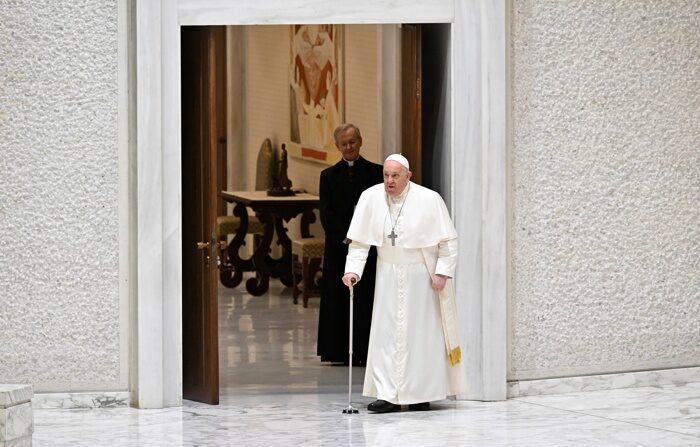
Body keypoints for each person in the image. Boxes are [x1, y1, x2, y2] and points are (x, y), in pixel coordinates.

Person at [342, 154, 467, 412]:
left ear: (408, 176)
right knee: (387, 336)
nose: (389, 181)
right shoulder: (370, 197)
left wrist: (442, 272)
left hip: (420, 275)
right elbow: (360, 242)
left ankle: (421, 394)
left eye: (395, 176)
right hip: (387, 272)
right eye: (386, 175)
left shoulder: (429, 199)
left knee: (421, 336)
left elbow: (448, 242)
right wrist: (353, 271)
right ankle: (388, 395)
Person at [317, 124, 384, 365]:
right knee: (339, 299)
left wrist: (365, 236)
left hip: (369, 246)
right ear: (337, 146)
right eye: (344, 144)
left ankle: (366, 350)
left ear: (361, 141)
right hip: (339, 247)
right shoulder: (328, 176)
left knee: (366, 297)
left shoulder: (377, 173)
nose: (349, 147)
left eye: (352, 142)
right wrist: (346, 237)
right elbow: (327, 213)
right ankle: (337, 350)